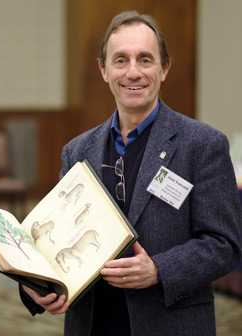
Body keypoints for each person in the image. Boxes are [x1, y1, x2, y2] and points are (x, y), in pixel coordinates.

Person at [20, 10, 242, 336]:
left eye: (146, 60)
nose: (133, 72)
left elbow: (225, 246)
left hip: (170, 324)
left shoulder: (203, 145)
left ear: (164, 68)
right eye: (121, 60)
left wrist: (159, 270)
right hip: (92, 324)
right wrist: (35, 287)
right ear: (104, 70)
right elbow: (62, 240)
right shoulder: (77, 151)